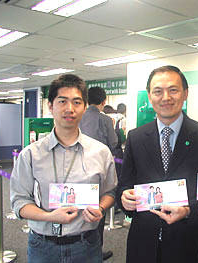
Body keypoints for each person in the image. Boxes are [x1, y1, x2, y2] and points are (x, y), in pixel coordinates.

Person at [117, 65, 198, 263]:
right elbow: (124, 185)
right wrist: (124, 199)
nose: (165, 97)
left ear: (185, 94)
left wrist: (188, 211)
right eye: (158, 91)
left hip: (185, 243)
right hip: (142, 243)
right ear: (150, 97)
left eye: (173, 90)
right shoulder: (136, 137)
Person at [10, 74, 117, 263]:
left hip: (86, 244)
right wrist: (49, 216)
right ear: (51, 106)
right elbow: (19, 202)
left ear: (84, 107)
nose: (70, 109)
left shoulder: (101, 152)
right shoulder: (30, 154)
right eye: (62, 101)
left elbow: (110, 191)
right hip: (43, 246)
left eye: (77, 102)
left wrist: (100, 207)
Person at [79, 86, 117, 261]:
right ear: (104, 102)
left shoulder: (77, 116)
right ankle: (95, 251)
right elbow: (113, 143)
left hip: (76, 170)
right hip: (97, 170)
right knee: (97, 211)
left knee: (76, 208)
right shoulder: (105, 120)